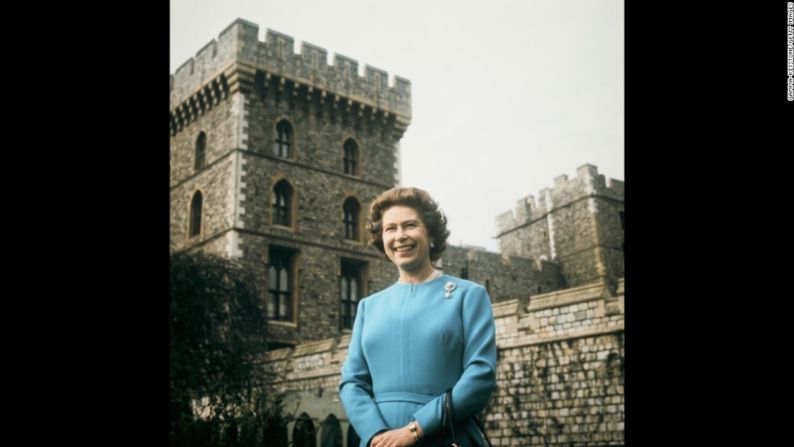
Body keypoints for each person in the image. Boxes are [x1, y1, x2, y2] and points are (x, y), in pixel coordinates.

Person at [339, 187, 497, 447]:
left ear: (431, 235)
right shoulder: (369, 307)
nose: (400, 236)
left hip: (446, 437)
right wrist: (377, 435)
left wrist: (415, 430)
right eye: (390, 228)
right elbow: (352, 382)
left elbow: (481, 376)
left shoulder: (469, 296)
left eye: (410, 225)